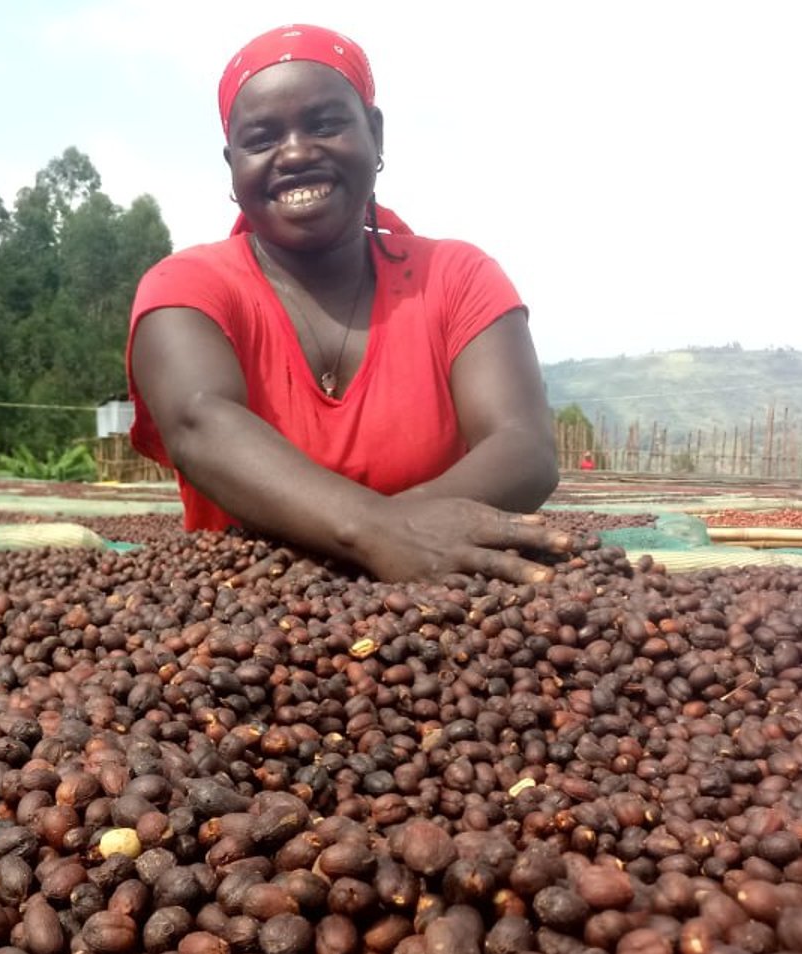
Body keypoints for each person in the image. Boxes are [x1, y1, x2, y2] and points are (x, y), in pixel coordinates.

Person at [125, 24, 571, 584]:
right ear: (232, 164)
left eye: (325, 124)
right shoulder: (184, 287)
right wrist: (382, 537)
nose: (295, 153)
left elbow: (523, 445)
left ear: (375, 134)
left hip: (455, 605)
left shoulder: (458, 277)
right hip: (241, 624)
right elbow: (199, 422)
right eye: (261, 138)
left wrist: (381, 539)